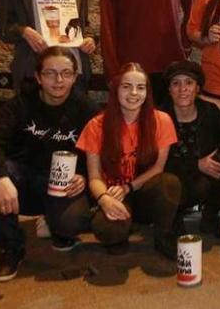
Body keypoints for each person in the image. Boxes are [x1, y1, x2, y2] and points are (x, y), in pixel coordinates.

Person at [0, 47, 99, 282]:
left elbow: (101, 150)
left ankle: (59, 228)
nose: (59, 80)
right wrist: (0, 178)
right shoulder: (20, 105)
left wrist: (83, 174)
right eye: (50, 73)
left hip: (63, 186)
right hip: (24, 181)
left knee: (73, 222)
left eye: (66, 73)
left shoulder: (86, 109)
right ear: (38, 77)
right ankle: (11, 248)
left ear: (74, 77)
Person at [76, 63, 182, 258]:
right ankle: (121, 229)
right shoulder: (96, 125)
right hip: (113, 194)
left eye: (140, 87)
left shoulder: (162, 120)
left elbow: (158, 168)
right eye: (126, 86)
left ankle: (163, 236)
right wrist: (104, 199)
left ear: (147, 92)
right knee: (107, 231)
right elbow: (94, 178)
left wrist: (128, 187)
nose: (134, 93)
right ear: (116, 89)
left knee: (169, 183)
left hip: (141, 190)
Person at [160, 60, 220, 237]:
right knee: (167, 181)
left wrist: (216, 161)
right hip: (173, 179)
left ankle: (210, 216)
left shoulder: (210, 112)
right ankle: (174, 219)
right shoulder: (161, 116)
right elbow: (156, 163)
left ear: (197, 88)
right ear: (169, 90)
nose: (183, 89)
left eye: (189, 83)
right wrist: (195, 164)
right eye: (176, 84)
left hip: (206, 178)